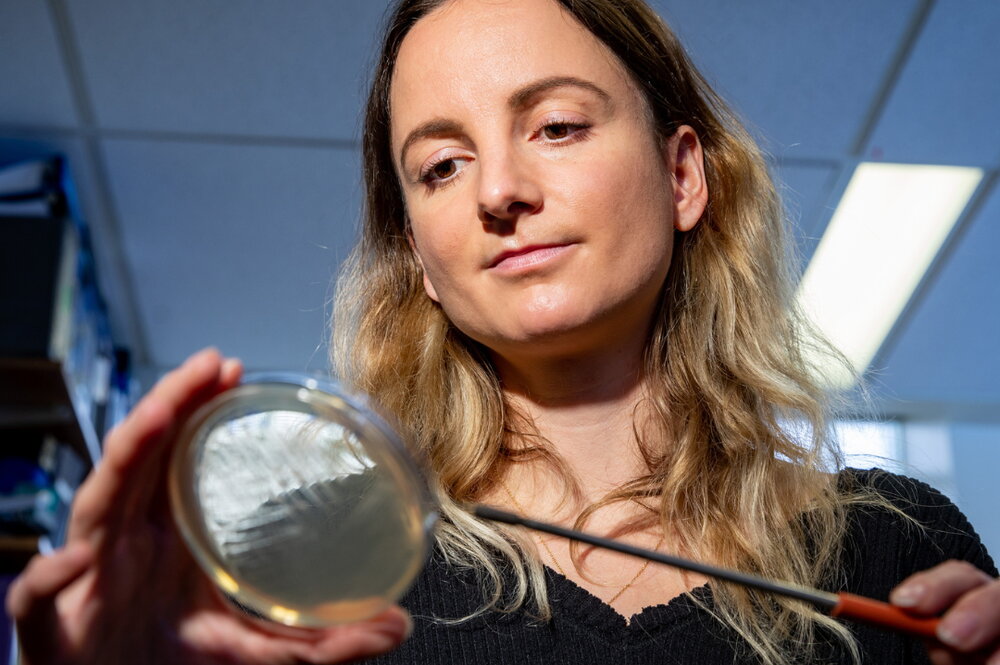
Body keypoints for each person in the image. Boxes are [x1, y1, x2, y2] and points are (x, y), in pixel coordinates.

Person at [7, 0, 999, 663]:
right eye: (440, 165)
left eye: (556, 126)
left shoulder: (892, 548)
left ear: (682, 174)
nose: (499, 190)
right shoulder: (315, 575)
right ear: (420, 265)